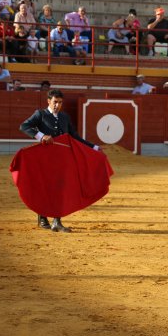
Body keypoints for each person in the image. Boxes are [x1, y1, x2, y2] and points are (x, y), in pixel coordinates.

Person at [19, 89, 101, 233]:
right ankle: (42, 216)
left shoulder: (64, 117)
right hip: (44, 158)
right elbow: (24, 126)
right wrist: (41, 136)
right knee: (45, 187)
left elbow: (74, 137)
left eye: (60, 102)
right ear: (48, 101)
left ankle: (56, 221)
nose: (57, 105)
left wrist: (93, 147)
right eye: (55, 102)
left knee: (60, 188)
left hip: (62, 159)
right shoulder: (41, 114)